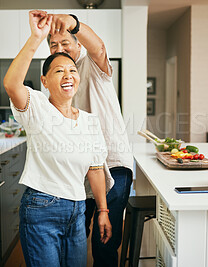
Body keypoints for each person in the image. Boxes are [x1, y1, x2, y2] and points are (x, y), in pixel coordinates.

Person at [3, 11, 112, 266]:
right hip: (42, 209)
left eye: (72, 70)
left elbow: (95, 169)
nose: (68, 75)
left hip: (78, 210)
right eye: (58, 70)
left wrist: (103, 212)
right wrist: (36, 37)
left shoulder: (89, 120)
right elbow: (11, 84)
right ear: (44, 80)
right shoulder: (36, 107)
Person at [46, 11, 134, 266]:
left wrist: (73, 23)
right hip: (79, 169)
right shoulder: (55, 78)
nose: (59, 48)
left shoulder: (93, 65)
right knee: (75, 237)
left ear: (78, 45)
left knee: (105, 241)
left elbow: (99, 46)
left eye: (65, 43)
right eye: (54, 45)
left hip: (113, 163)